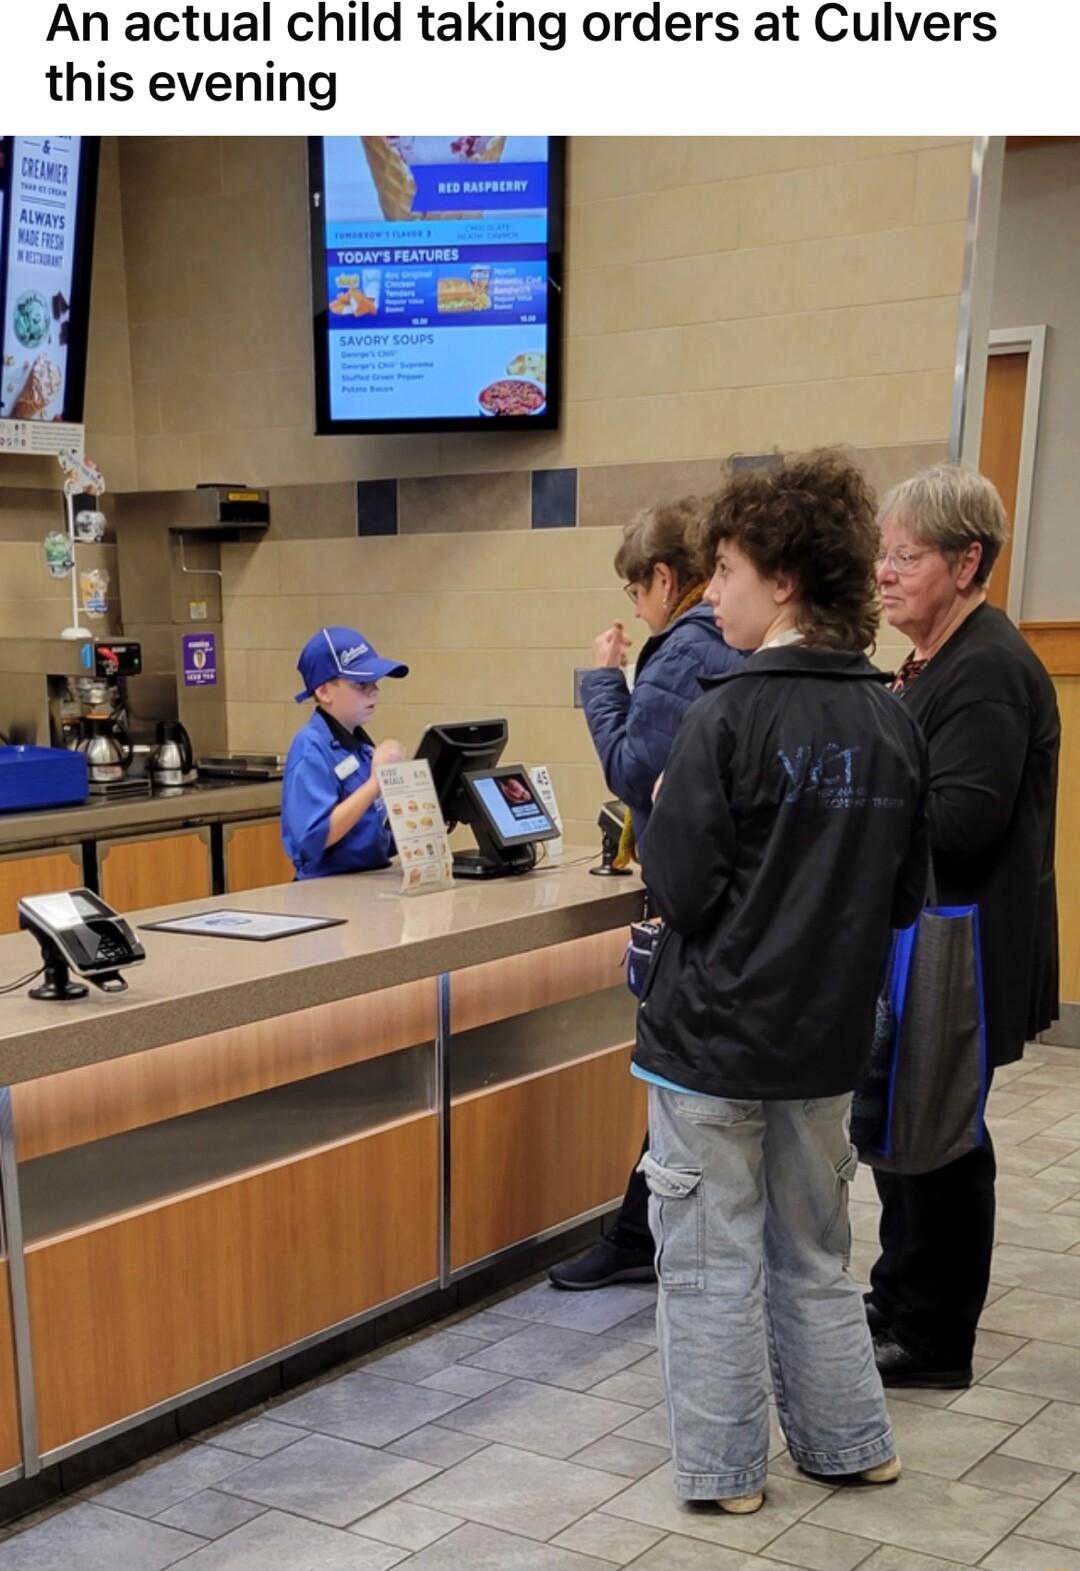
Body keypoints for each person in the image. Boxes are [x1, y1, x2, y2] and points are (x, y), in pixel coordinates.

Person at [635, 451, 929, 1513]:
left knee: (710, 1265)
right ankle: (850, 1443)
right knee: (815, 1251)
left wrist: (666, 803)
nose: (713, 593)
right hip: (825, 1041)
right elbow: (901, 898)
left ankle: (724, 1476)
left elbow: (682, 889)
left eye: (725, 569)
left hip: (711, 1042)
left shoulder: (723, 716)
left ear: (785, 579)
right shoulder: (893, 721)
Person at [866, 464, 1060, 1388]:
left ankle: (934, 1334)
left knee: (940, 1142)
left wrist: (854, 810)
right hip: (927, 938)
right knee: (907, 1130)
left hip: (961, 947)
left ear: (967, 559)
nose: (884, 573)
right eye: (881, 555)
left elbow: (961, 821)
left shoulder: (985, 667)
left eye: (905, 556)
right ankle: (899, 1293)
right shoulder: (940, 656)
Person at [549, 497, 743, 1291]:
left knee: (678, 1085)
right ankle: (637, 1229)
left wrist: (602, 680)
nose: (636, 606)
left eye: (636, 590)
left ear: (664, 579)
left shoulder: (682, 650)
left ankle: (648, 1237)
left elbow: (633, 767)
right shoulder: (731, 649)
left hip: (693, 906)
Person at [281, 626, 409, 881]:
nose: (374, 690)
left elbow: (375, 837)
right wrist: (375, 784)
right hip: (325, 890)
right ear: (324, 691)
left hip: (368, 882)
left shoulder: (362, 748)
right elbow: (315, 836)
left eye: (375, 682)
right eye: (361, 684)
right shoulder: (311, 748)